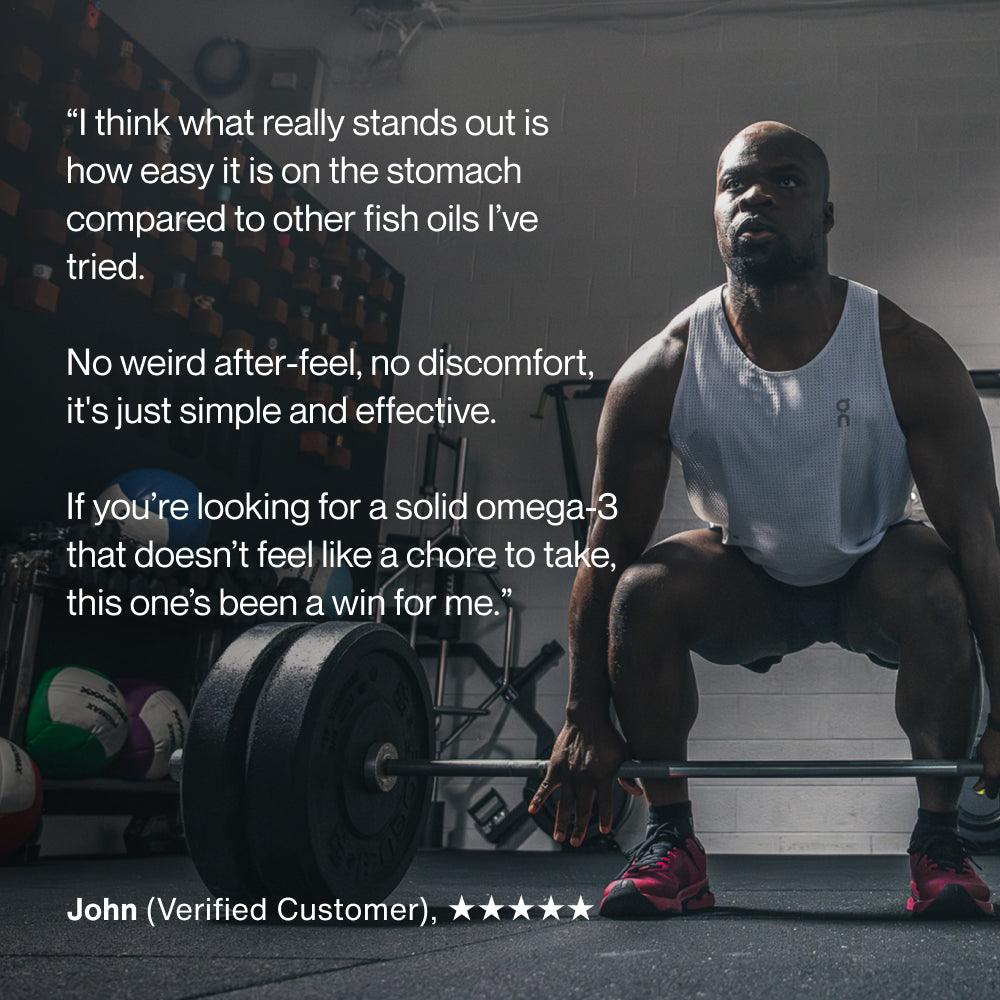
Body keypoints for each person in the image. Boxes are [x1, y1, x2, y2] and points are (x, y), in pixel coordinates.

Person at [527, 121, 1000, 920]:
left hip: (874, 574)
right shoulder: (665, 369)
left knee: (937, 584)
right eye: (735, 183)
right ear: (716, 212)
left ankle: (939, 844)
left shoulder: (903, 352)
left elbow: (983, 546)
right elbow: (604, 552)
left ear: (826, 215)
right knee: (643, 590)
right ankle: (672, 844)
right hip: (746, 582)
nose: (756, 194)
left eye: (786, 180)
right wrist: (583, 715)